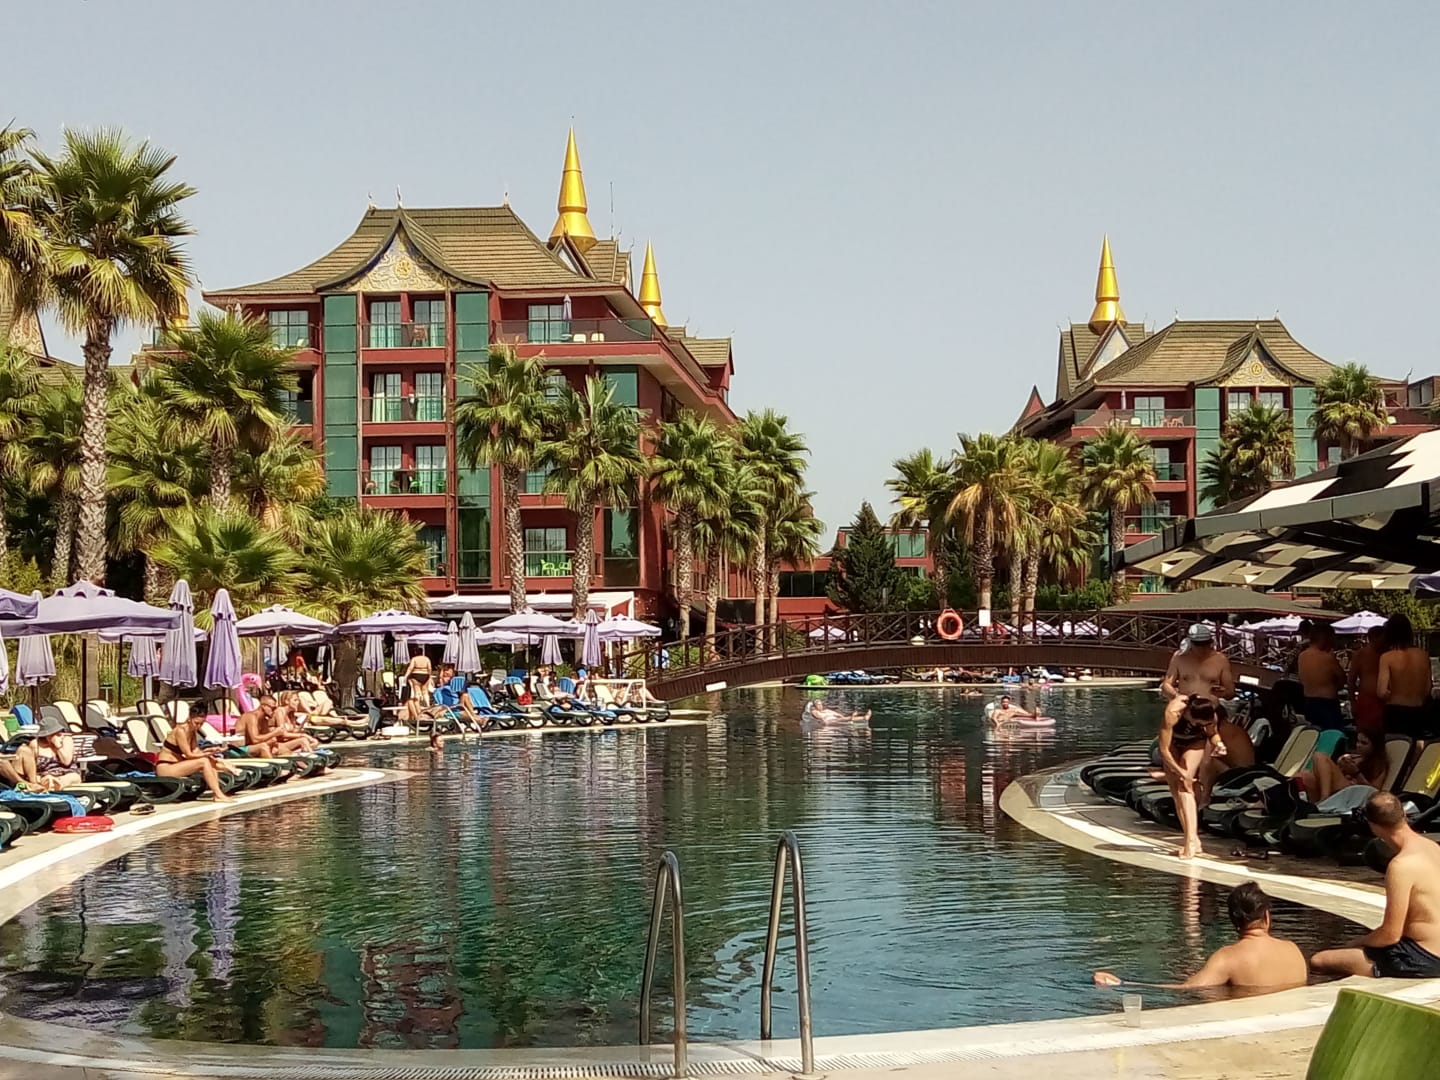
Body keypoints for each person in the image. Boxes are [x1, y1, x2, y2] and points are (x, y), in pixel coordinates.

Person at [1311, 792, 1440, 978]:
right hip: (1427, 948)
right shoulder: (1433, 847)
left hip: (1424, 958)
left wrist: (1356, 943)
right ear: (1403, 814)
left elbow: (1390, 934)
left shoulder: (1401, 866)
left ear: (1373, 826)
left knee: (1320, 960)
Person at [1094, 882, 1307, 992]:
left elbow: (1188, 989)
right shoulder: (1293, 950)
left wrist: (1122, 983)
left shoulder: (1228, 958)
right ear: (1266, 916)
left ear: (1234, 922)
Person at [1159, 695, 1227, 859]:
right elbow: (1164, 750)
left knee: (1185, 786)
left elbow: (1212, 734)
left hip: (1195, 742)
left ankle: (1189, 842)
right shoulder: (1173, 712)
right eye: (1197, 723)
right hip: (1172, 744)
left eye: (1204, 724)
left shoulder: (1210, 715)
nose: (1199, 726)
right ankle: (1193, 840)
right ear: (1188, 713)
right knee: (1176, 792)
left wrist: (1219, 744)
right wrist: (1178, 770)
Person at [1378, 614, 1435, 742]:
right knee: (1417, 749)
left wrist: (1394, 694)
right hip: (1418, 711)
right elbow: (1427, 688)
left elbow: (1381, 692)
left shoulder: (1387, 657)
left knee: (1396, 749)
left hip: (1395, 712)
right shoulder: (1423, 655)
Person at [156, 711, 237, 802]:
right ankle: (218, 794)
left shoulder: (192, 732)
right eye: (196, 723)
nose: (198, 726)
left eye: (201, 724)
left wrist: (212, 754)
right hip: (166, 767)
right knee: (204, 761)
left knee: (210, 761)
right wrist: (206, 755)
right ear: (189, 719)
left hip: (176, 766)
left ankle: (218, 793)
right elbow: (189, 755)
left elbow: (196, 752)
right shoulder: (180, 731)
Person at [1299, 729, 1389, 803]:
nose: (1358, 745)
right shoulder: (1354, 757)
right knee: (1305, 775)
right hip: (1344, 787)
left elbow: (1374, 792)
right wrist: (1341, 766)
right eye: (1358, 741)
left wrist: (1356, 773)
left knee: (1319, 756)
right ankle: (1314, 805)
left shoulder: (1379, 764)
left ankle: (1324, 798)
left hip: (1354, 792)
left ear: (1375, 746)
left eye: (1364, 743)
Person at [1162, 624, 1235, 706]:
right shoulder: (1179, 657)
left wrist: (1223, 693)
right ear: (1190, 643)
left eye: (1205, 644)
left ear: (1210, 643)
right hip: (1184, 706)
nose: (1202, 648)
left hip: (1209, 708)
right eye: (1198, 644)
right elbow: (1166, 685)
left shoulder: (1220, 660)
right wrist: (1177, 696)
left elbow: (1230, 692)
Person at [1297, 622, 1347, 731]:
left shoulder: (1302, 656)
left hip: (1309, 702)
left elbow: (1301, 679)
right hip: (1327, 704)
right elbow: (1342, 679)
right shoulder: (1327, 658)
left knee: (1313, 735)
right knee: (1332, 736)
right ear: (1324, 638)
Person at [1349, 625, 1387, 734]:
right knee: (1365, 734)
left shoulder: (1387, 654)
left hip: (1385, 702)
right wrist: (1352, 702)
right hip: (1366, 701)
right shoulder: (1360, 655)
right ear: (1373, 638)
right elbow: (1351, 680)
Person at [804, 701, 871, 724]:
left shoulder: (826, 710)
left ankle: (863, 718)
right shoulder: (815, 711)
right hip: (828, 721)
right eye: (818, 705)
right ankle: (862, 717)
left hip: (833, 719)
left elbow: (837, 714)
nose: (820, 706)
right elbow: (819, 718)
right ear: (815, 706)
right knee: (844, 719)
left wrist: (841, 716)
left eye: (821, 704)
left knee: (843, 718)